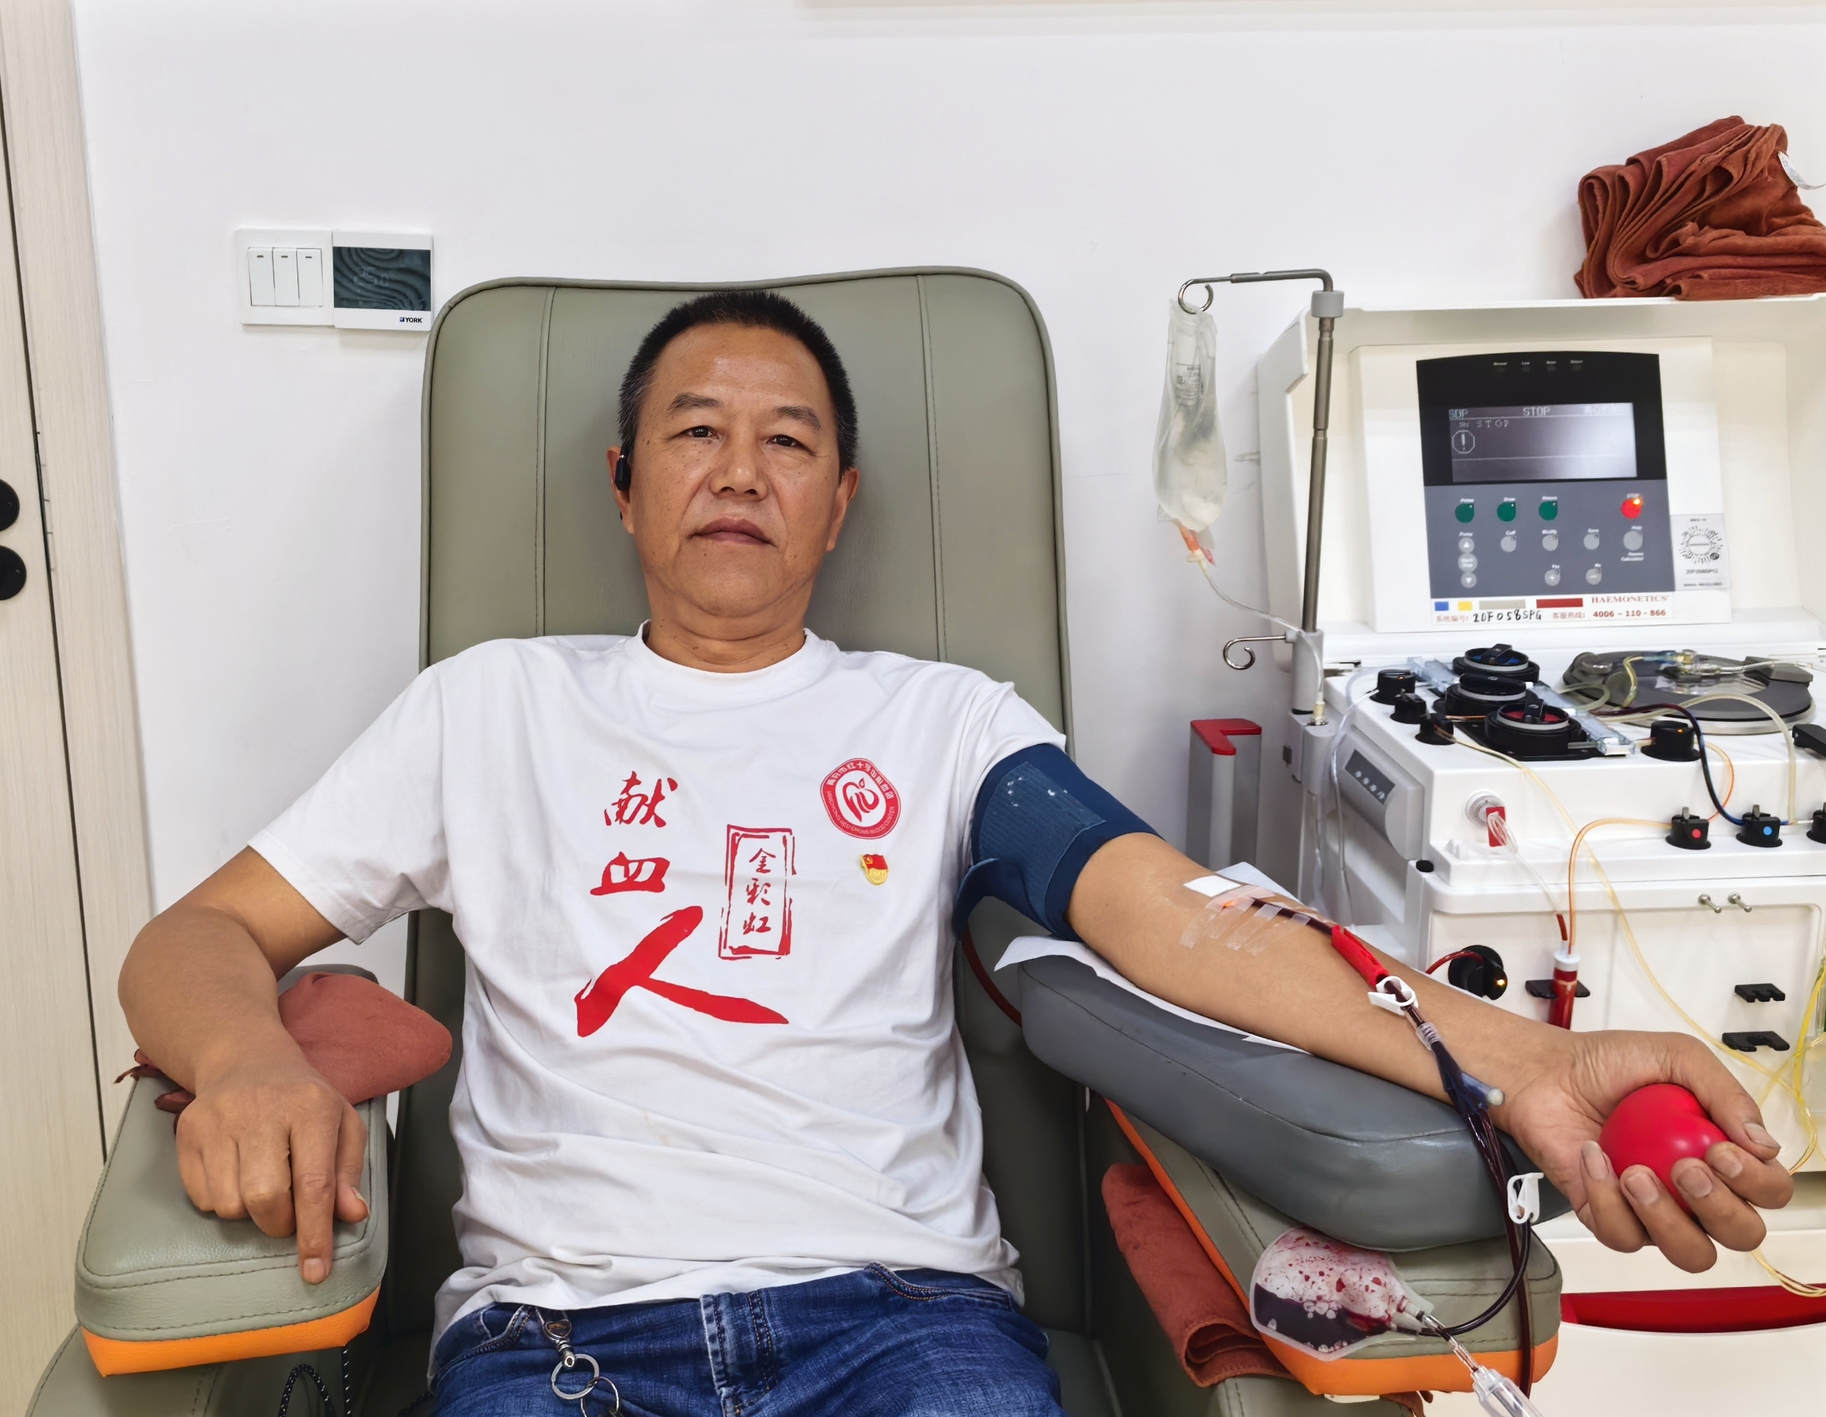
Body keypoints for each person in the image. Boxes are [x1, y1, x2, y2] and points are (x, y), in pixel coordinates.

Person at [119, 291, 1793, 1415]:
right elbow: (193, 938)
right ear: (623, 485)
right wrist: (248, 1054)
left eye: (788, 440)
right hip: (560, 1336)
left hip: (904, 1327)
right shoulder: (486, 709)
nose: (739, 470)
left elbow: (1175, 917)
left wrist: (1520, 1058)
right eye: (695, 432)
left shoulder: (940, 722)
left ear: (838, 499)